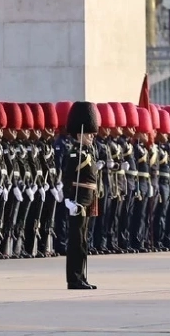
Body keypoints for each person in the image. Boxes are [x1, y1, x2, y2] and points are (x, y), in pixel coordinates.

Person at [61, 101, 100, 290]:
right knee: (76, 242)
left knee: (83, 242)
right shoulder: (75, 154)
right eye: (89, 133)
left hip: (87, 199)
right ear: (80, 133)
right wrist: (68, 199)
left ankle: (81, 276)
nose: (92, 135)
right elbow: (67, 177)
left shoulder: (88, 152)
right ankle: (74, 279)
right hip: (77, 200)